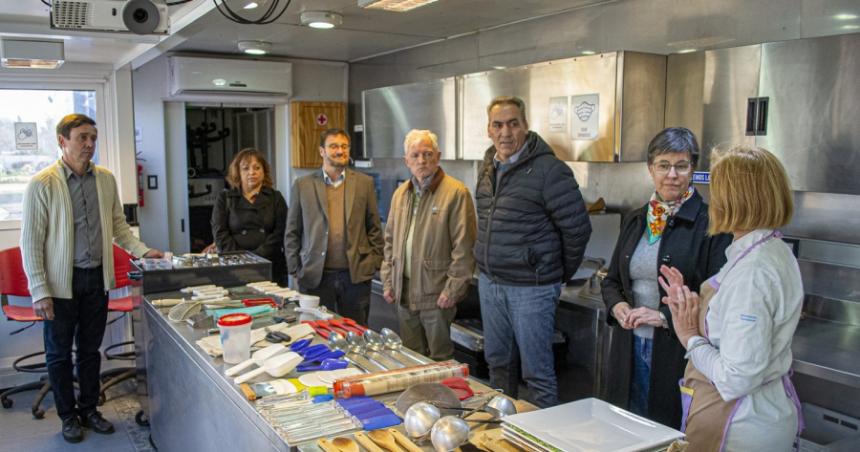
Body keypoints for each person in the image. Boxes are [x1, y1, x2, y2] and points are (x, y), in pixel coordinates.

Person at [20, 114, 163, 443]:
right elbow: (31, 243)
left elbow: (119, 228)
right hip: (59, 285)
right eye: (82, 137)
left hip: (96, 280)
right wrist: (40, 291)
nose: (89, 144)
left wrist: (142, 252)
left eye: (93, 138)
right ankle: (68, 417)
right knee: (58, 354)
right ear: (62, 141)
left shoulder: (105, 180)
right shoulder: (42, 183)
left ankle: (89, 410)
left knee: (89, 351)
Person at [660, 145, 802, 451]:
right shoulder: (770, 249)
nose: (711, 201)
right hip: (758, 415)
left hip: (739, 427)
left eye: (717, 191)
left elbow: (735, 378)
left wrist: (689, 336)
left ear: (732, 200)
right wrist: (692, 305)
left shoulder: (753, 272)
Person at [601, 127, 731, 428]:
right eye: (663, 165)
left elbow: (717, 301)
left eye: (681, 165)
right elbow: (611, 281)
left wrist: (662, 316)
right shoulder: (637, 219)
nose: (671, 174)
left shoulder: (712, 225)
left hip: (676, 352)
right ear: (651, 169)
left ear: (692, 170)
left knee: (665, 431)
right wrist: (617, 307)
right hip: (628, 346)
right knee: (624, 428)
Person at [474, 96, 592, 407]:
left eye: (513, 123)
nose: (506, 132)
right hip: (491, 282)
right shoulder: (487, 168)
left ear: (525, 126)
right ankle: (501, 431)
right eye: (498, 125)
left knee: (537, 372)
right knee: (497, 364)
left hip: (532, 288)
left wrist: (553, 273)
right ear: (488, 130)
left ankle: (543, 439)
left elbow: (578, 229)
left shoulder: (550, 170)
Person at [381, 129, 477, 361]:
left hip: (437, 294)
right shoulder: (400, 194)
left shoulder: (456, 193)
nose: (421, 160)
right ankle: (417, 398)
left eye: (427, 154)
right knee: (410, 357)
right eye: (415, 155)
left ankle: (441, 398)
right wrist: (388, 281)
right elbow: (390, 241)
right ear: (407, 161)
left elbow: (464, 248)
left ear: (438, 156)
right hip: (403, 292)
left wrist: (452, 290)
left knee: (440, 359)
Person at [285, 128, 383, 325]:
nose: (340, 151)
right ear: (322, 151)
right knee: (316, 331)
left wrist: (374, 262)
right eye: (334, 146)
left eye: (344, 146)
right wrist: (295, 268)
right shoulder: (303, 185)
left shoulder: (364, 183)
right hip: (315, 277)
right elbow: (292, 230)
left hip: (355, 277)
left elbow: (374, 226)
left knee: (355, 332)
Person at [211, 148, 288, 285]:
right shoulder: (225, 198)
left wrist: (257, 258)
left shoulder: (276, 198)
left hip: (269, 265)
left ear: (264, 172)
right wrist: (241, 259)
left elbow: (281, 232)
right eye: (245, 168)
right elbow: (219, 232)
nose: (252, 172)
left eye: (257, 168)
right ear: (238, 173)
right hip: (234, 266)